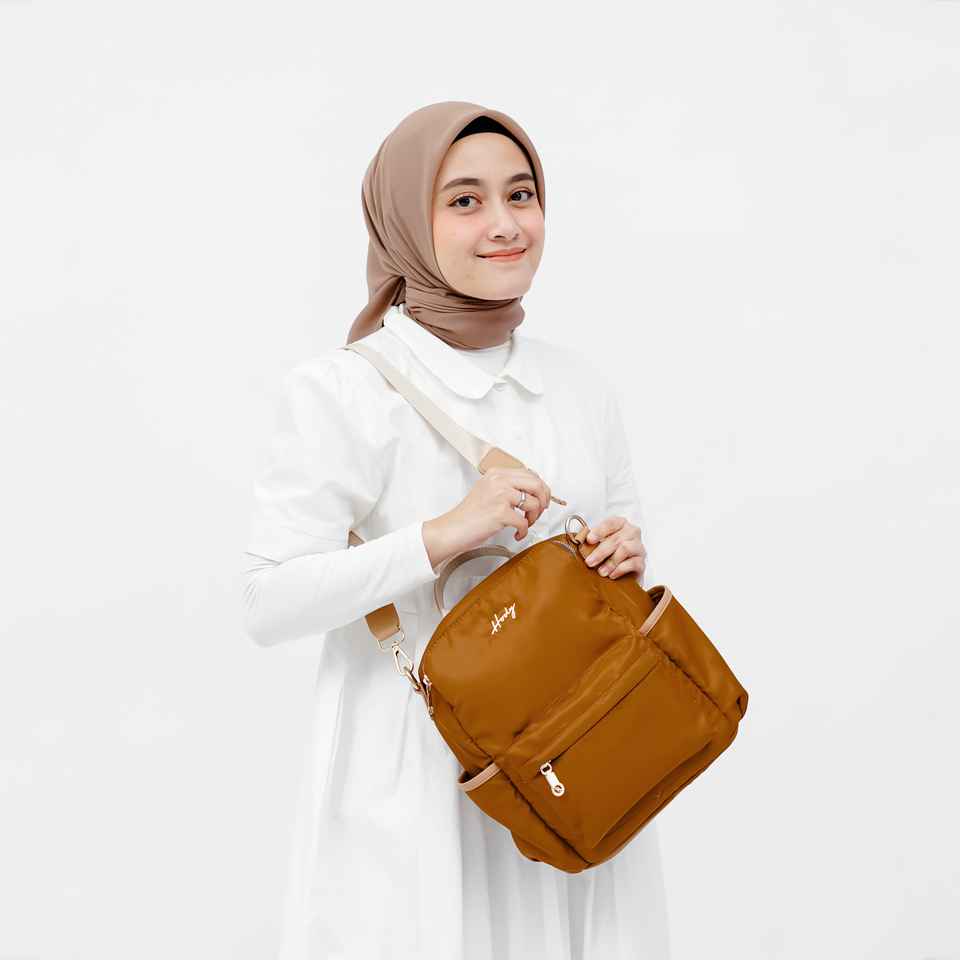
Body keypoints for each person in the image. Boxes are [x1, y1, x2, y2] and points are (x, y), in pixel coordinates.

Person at [241, 101, 671, 959]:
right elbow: (267, 601)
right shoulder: (342, 391)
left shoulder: (579, 386)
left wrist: (622, 556)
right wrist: (441, 535)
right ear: (406, 219)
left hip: (578, 760)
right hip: (419, 780)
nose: (505, 224)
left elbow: (617, 555)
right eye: (465, 200)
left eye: (522, 194)